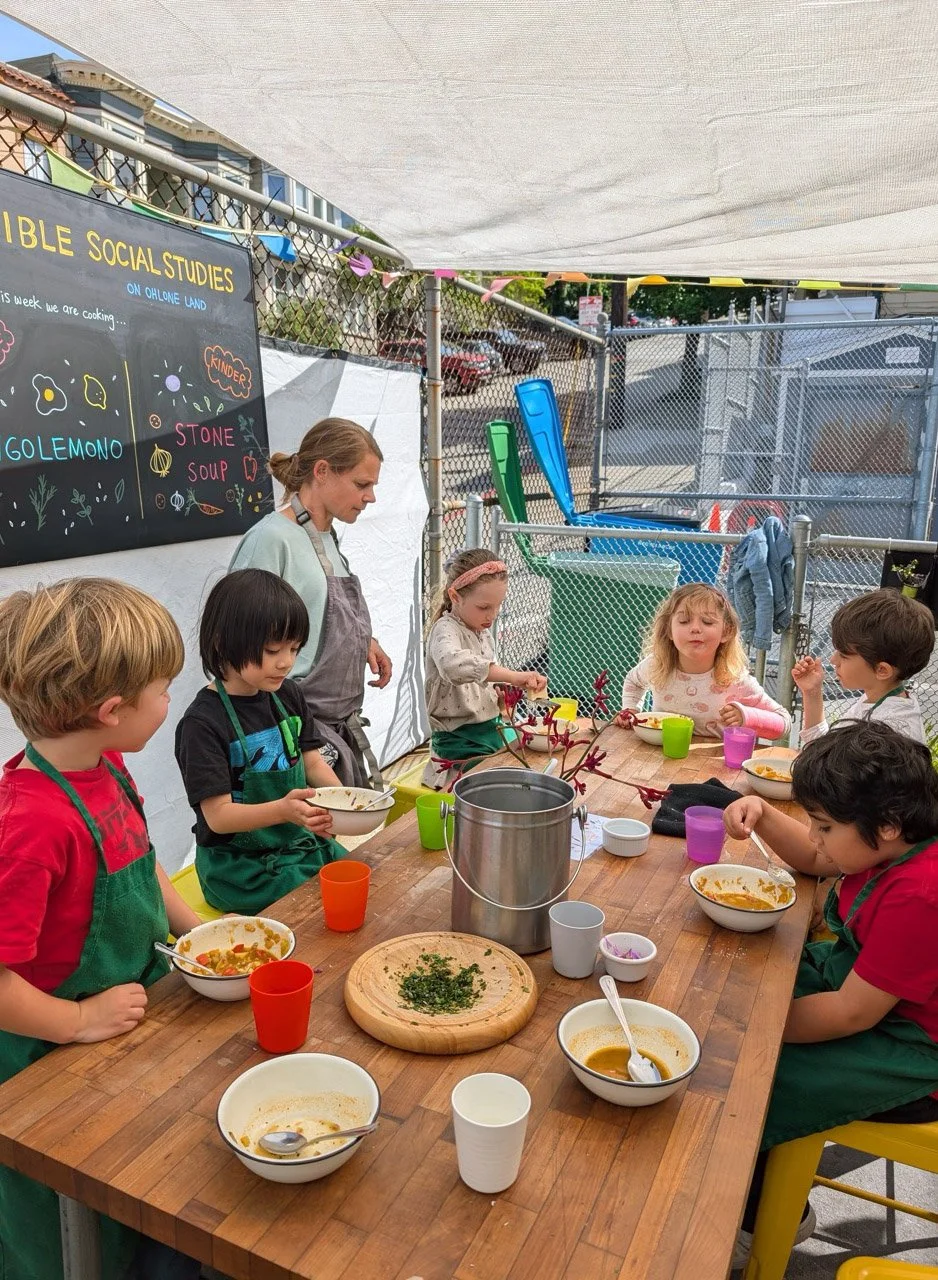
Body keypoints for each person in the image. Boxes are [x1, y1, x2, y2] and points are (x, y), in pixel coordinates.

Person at [0, 578, 203, 1280]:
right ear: (112, 710)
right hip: (46, 1058)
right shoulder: (30, 825)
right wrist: (79, 1020)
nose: (169, 700)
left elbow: (140, 863)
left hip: (128, 1018)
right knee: (69, 1230)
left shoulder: (107, 767)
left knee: (143, 1191)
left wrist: (198, 934)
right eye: (163, 690)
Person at [723, 722, 938, 1269]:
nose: (814, 836)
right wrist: (761, 811)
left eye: (822, 825)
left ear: (887, 825)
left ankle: (761, 1217)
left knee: (760, 1078)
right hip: (867, 995)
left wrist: (755, 1027)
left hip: (914, 1048)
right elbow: (817, 859)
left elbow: (850, 1014)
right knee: (751, 980)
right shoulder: (883, 843)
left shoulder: (921, 894)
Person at [229, 417, 391, 789]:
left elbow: (315, 612)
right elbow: (234, 646)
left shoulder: (327, 537)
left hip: (333, 729)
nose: (370, 497)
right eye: (361, 484)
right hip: (287, 733)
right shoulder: (271, 539)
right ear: (322, 471)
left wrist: (363, 640)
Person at [175, 569, 344, 915]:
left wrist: (344, 804)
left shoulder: (289, 695)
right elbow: (219, 817)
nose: (286, 662)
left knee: (358, 873)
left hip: (296, 845)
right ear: (223, 642)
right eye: (272, 650)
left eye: (294, 648)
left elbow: (312, 762)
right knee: (313, 905)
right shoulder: (202, 724)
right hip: (240, 869)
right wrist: (283, 810)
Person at [423, 549, 547, 788]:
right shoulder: (445, 629)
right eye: (484, 607)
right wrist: (513, 677)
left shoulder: (481, 631)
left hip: (490, 731)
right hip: (458, 745)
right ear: (455, 596)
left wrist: (500, 703)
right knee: (506, 781)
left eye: (498, 606)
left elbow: (481, 682)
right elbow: (454, 665)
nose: (492, 615)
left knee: (531, 759)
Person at [616, 582, 791, 740]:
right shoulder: (657, 664)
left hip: (711, 763)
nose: (695, 628)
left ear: (726, 632)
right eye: (684, 621)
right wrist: (631, 709)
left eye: (707, 622)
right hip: (658, 757)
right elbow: (634, 681)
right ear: (669, 630)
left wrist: (747, 716)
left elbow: (784, 723)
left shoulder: (735, 679)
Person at [792, 587, 934, 745]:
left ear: (882, 670)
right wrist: (812, 692)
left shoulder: (885, 734)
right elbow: (825, 748)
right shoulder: (875, 700)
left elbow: (823, 754)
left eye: (844, 655)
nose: (833, 660)